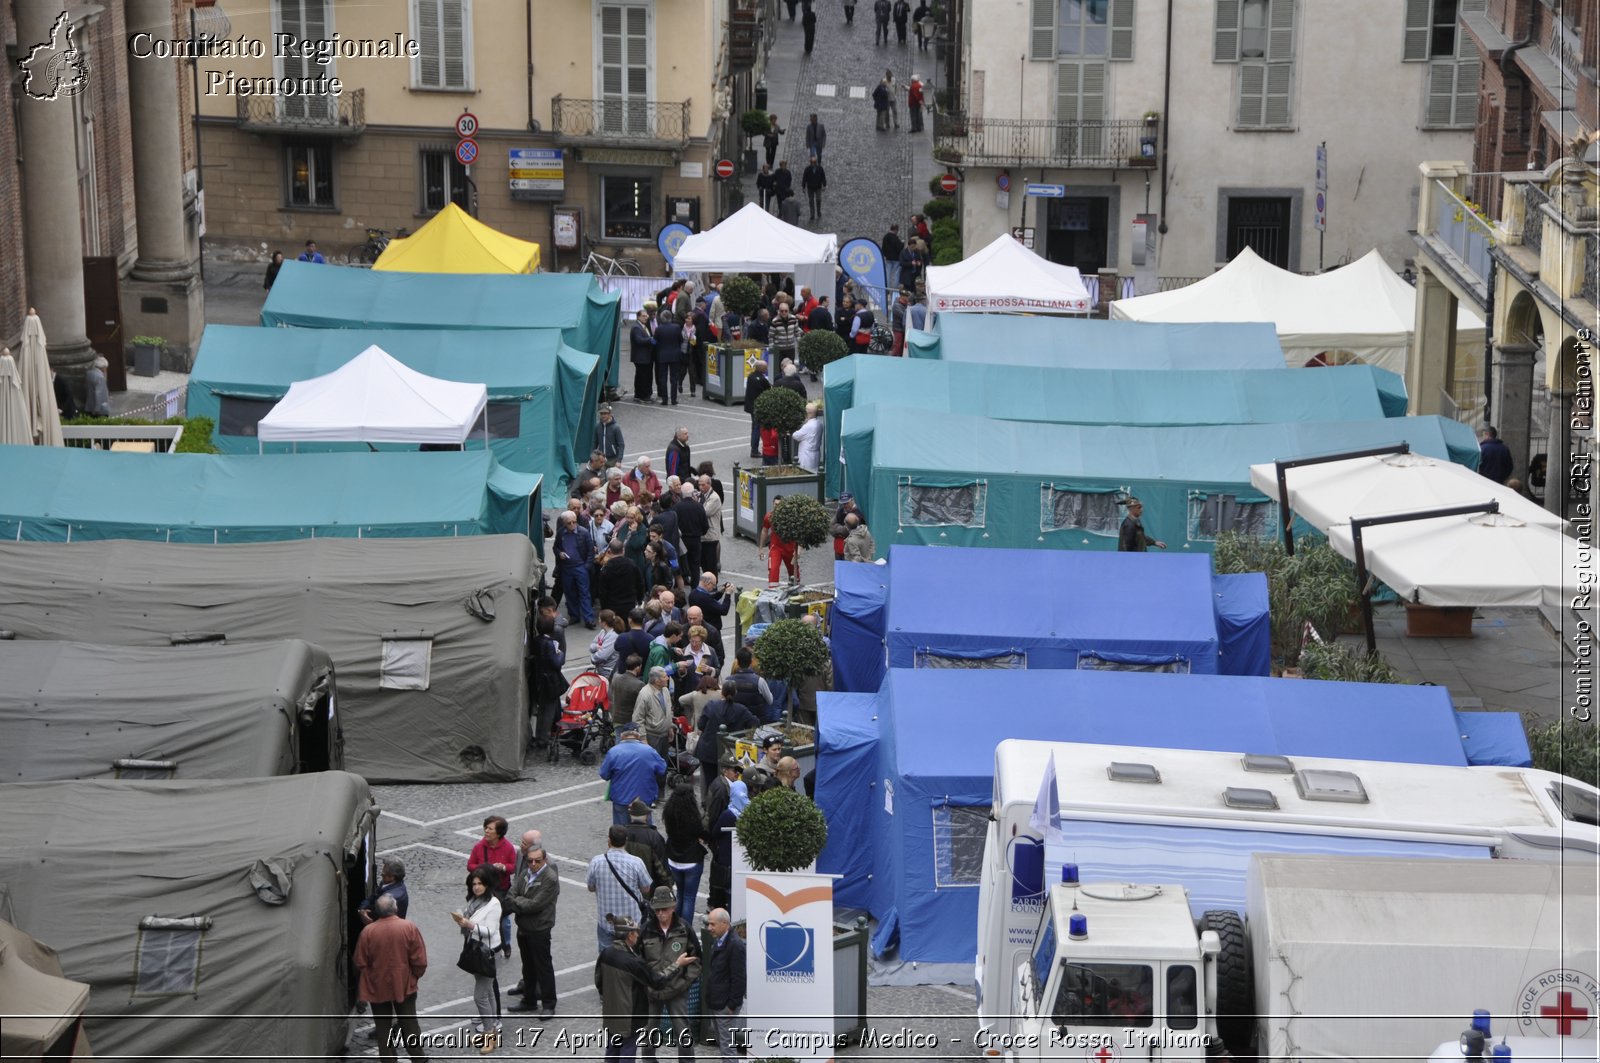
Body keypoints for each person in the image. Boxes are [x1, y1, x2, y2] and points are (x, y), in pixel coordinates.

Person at [596, 915, 693, 1063]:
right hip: (630, 1017)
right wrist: (677, 964)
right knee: (628, 1051)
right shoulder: (633, 962)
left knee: (612, 1050)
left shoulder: (605, 953)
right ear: (629, 935)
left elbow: (599, 982)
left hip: (611, 1014)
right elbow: (658, 981)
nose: (638, 935)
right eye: (635, 932)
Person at [354, 893, 429, 1063]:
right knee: (409, 1023)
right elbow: (420, 960)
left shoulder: (368, 932)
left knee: (383, 1028)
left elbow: (360, 961)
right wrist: (413, 977)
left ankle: (388, 1059)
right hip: (404, 984)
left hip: (377, 985)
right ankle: (418, 1057)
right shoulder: (408, 927)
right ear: (395, 908)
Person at [639, 887, 702, 1062]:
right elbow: (637, 961)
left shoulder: (684, 929)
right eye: (657, 910)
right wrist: (646, 984)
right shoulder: (645, 930)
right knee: (649, 1030)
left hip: (677, 990)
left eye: (664, 909)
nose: (660, 913)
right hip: (652, 991)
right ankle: (648, 1061)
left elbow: (696, 960)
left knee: (683, 1030)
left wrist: (684, 982)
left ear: (673, 907)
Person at [451, 868, 504, 1053]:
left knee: (480, 995)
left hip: (488, 952)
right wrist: (463, 920)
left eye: (480, 883)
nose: (476, 887)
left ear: (487, 884)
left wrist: (469, 925)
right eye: (474, 884)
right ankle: (492, 1030)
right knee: (488, 992)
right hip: (476, 950)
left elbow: (491, 931)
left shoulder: (494, 904)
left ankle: (489, 1032)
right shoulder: (474, 902)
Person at [505, 844, 559, 1021]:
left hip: (539, 928)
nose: (533, 863)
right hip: (524, 927)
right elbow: (511, 894)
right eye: (530, 861)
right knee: (527, 966)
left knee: (543, 966)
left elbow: (535, 905)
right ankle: (529, 1000)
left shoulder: (549, 878)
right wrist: (520, 901)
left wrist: (518, 901)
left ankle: (549, 1003)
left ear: (545, 859)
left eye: (537, 860)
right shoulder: (526, 873)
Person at [588, 825, 657, 953]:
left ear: (609, 840)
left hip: (607, 921)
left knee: (607, 957)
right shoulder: (636, 862)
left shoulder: (596, 862)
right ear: (625, 841)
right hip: (630, 924)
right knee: (633, 955)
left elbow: (591, 887)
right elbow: (646, 888)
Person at [468, 816, 518, 958]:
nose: (486, 831)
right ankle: (482, 943)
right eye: (486, 827)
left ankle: (506, 943)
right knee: (480, 916)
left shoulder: (508, 847)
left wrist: (503, 867)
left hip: (501, 888)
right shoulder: (479, 846)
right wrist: (484, 868)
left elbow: (513, 867)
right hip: (482, 890)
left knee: (504, 921)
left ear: (499, 833)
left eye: (490, 828)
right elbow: (470, 865)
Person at [661, 777, 709, 924]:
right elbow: (702, 833)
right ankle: (685, 929)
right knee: (689, 898)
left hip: (674, 860)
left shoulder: (669, 814)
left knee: (680, 895)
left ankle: (675, 924)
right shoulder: (692, 818)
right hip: (691, 861)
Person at [600, 724, 669, 825]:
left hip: (621, 799)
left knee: (621, 834)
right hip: (644, 799)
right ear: (638, 735)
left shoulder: (614, 752)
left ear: (622, 736)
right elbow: (662, 769)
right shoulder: (649, 751)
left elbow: (604, 774)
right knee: (645, 833)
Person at [705, 908, 747, 1062]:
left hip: (725, 1007)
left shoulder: (735, 945)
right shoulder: (720, 940)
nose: (709, 928)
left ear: (724, 924)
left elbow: (739, 978)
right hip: (717, 1003)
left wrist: (732, 1005)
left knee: (727, 1048)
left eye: (712, 924)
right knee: (723, 1046)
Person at [556, 511, 598, 628]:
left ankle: (589, 619)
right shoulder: (561, 533)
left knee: (584, 593)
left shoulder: (583, 533)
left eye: (574, 522)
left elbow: (591, 551)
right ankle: (574, 616)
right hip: (567, 567)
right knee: (569, 592)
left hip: (580, 566)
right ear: (564, 523)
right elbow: (556, 547)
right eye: (569, 523)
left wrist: (586, 566)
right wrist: (559, 553)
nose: (572, 525)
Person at [634, 666, 677, 760]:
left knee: (663, 763)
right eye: (665, 677)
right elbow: (638, 719)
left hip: (664, 735)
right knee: (652, 764)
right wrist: (643, 739)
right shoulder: (645, 694)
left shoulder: (665, 690)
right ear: (657, 681)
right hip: (652, 737)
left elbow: (668, 710)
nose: (668, 678)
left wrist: (669, 728)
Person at [726, 646, 776, 723]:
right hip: (755, 721)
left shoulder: (728, 680)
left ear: (737, 662)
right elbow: (770, 700)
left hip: (735, 722)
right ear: (751, 661)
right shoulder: (759, 681)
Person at [599, 542, 649, 617]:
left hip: (612, 606)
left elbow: (603, 591)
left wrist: (604, 607)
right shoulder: (632, 565)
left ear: (609, 551)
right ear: (623, 550)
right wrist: (639, 599)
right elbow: (640, 583)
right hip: (630, 604)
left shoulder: (606, 569)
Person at [358, 857, 411, 925]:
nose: (381, 873)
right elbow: (372, 897)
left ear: (392, 877)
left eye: (384, 872)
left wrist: (363, 911)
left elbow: (372, 914)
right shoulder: (385, 883)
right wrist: (362, 909)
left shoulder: (390, 898)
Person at [653, 313, 686, 407]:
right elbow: (681, 339)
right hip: (675, 355)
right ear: (671, 318)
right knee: (674, 378)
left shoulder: (658, 328)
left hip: (662, 355)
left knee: (663, 378)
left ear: (662, 318)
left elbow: (655, 342)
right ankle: (674, 399)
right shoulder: (676, 327)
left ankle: (664, 399)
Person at [743, 359, 771, 458]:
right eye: (765, 367)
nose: (767, 369)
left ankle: (753, 448)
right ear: (761, 368)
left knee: (754, 427)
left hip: (751, 407)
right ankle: (754, 450)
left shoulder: (751, 376)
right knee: (757, 428)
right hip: (758, 407)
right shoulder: (762, 380)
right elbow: (769, 390)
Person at [610, 654, 647, 728]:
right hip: (629, 720)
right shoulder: (639, 684)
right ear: (637, 668)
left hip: (616, 718)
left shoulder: (616, 677)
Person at [698, 477, 725, 575]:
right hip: (703, 536)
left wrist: (695, 506)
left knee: (710, 564)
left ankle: (713, 585)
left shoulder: (714, 498)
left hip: (711, 536)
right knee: (704, 563)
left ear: (709, 484)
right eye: (699, 485)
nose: (700, 487)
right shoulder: (701, 495)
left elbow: (705, 512)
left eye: (703, 485)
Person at [793, 402, 824, 473]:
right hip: (815, 453)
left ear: (808, 413)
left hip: (806, 455)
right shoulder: (819, 423)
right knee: (815, 472)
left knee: (805, 473)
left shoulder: (807, 426)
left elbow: (795, 435)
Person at [801, 155, 827, 222]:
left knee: (818, 199)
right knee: (811, 201)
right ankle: (812, 214)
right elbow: (804, 178)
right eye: (812, 162)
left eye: (814, 162)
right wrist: (803, 187)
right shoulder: (807, 169)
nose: (813, 164)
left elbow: (823, 177)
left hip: (818, 187)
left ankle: (818, 211)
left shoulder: (820, 168)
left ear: (816, 162)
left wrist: (824, 185)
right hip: (810, 187)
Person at [881, 225, 904, 291]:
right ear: (896, 230)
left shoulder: (886, 237)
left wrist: (886, 255)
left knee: (888, 273)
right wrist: (902, 243)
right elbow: (899, 248)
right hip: (896, 259)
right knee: (896, 273)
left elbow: (883, 248)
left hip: (888, 258)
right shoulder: (895, 238)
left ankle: (888, 287)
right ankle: (895, 287)